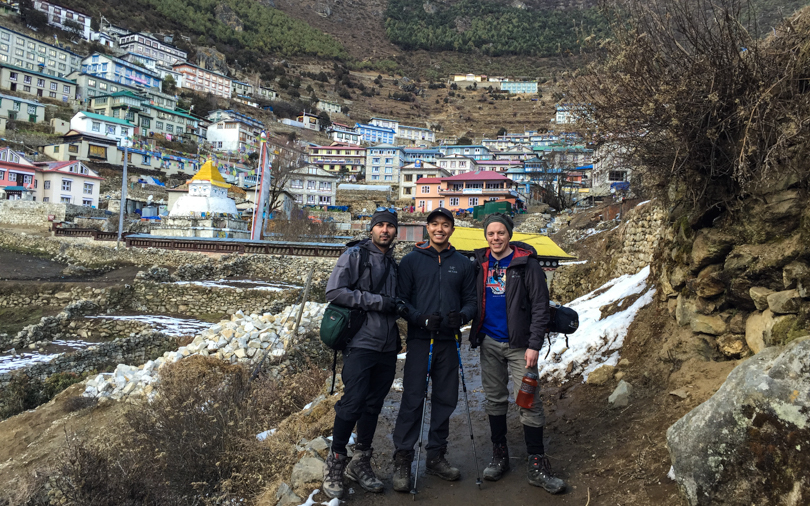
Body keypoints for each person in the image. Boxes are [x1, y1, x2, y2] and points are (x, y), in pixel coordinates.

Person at [469, 213, 566, 494]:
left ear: (509, 234)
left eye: (500, 233)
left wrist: (534, 344)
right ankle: (500, 455)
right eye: (491, 234)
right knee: (495, 399)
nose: (495, 238)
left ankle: (537, 462)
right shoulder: (480, 263)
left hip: (520, 346)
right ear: (485, 236)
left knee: (528, 400)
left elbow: (539, 305)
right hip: (489, 342)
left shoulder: (527, 264)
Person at [391, 207, 477, 492]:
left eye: (445, 225)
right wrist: (419, 318)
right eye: (434, 224)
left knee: (445, 400)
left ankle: (436, 456)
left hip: (449, 342)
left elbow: (472, 302)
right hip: (420, 340)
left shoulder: (463, 263)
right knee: (413, 399)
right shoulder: (412, 261)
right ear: (427, 228)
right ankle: (403, 458)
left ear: (452, 229)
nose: (440, 229)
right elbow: (401, 301)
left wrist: (462, 317)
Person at [321, 208, 400, 499]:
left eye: (390, 226)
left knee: (373, 405)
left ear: (395, 231)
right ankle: (335, 463)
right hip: (361, 343)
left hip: (388, 345)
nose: (385, 230)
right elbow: (334, 292)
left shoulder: (394, 264)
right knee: (352, 403)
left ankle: (361, 462)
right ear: (372, 229)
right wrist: (378, 301)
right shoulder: (355, 255)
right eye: (380, 225)